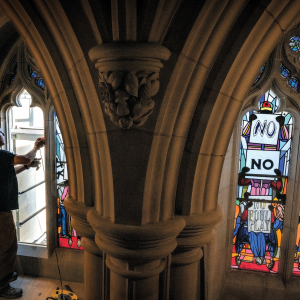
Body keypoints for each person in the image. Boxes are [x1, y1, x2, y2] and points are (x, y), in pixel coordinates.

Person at [0, 129, 44, 299]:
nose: (3, 133)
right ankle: (3, 286)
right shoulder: (2, 154)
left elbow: (13, 170)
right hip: (2, 210)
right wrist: (36, 147)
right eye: (0, 132)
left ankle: (4, 275)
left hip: (2, 208)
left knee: (4, 245)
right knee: (7, 247)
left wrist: (26, 166)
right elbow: (25, 157)